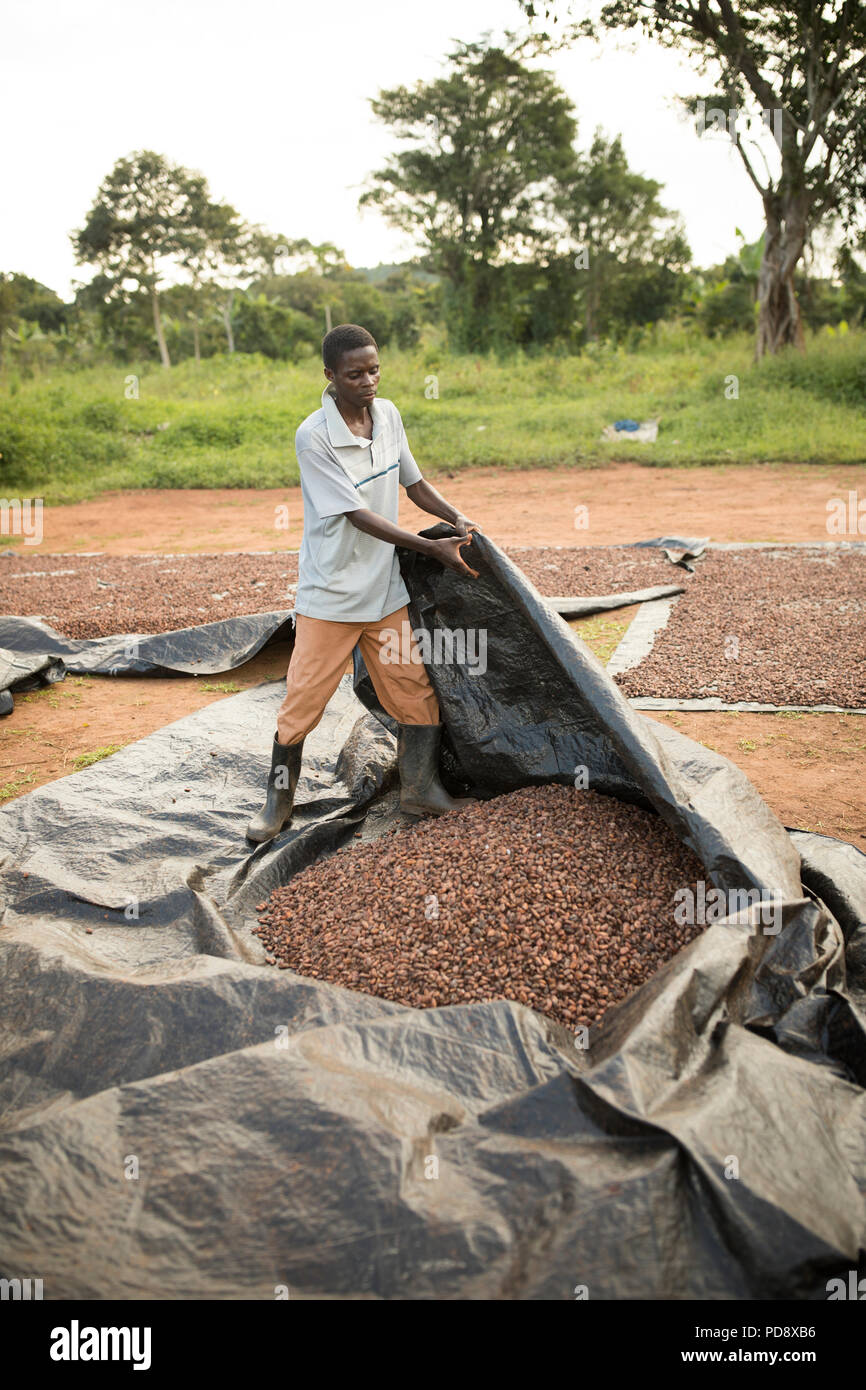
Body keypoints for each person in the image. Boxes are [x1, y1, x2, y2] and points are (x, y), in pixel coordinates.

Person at [247, 322, 480, 843]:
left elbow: (414, 483)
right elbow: (356, 514)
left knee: (414, 691)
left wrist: (458, 520)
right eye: (356, 374)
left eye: (375, 369)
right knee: (303, 703)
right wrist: (429, 547)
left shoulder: (389, 415)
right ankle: (277, 802)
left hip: (384, 594)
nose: (369, 381)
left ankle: (420, 790)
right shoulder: (314, 437)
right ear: (330, 375)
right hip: (330, 597)